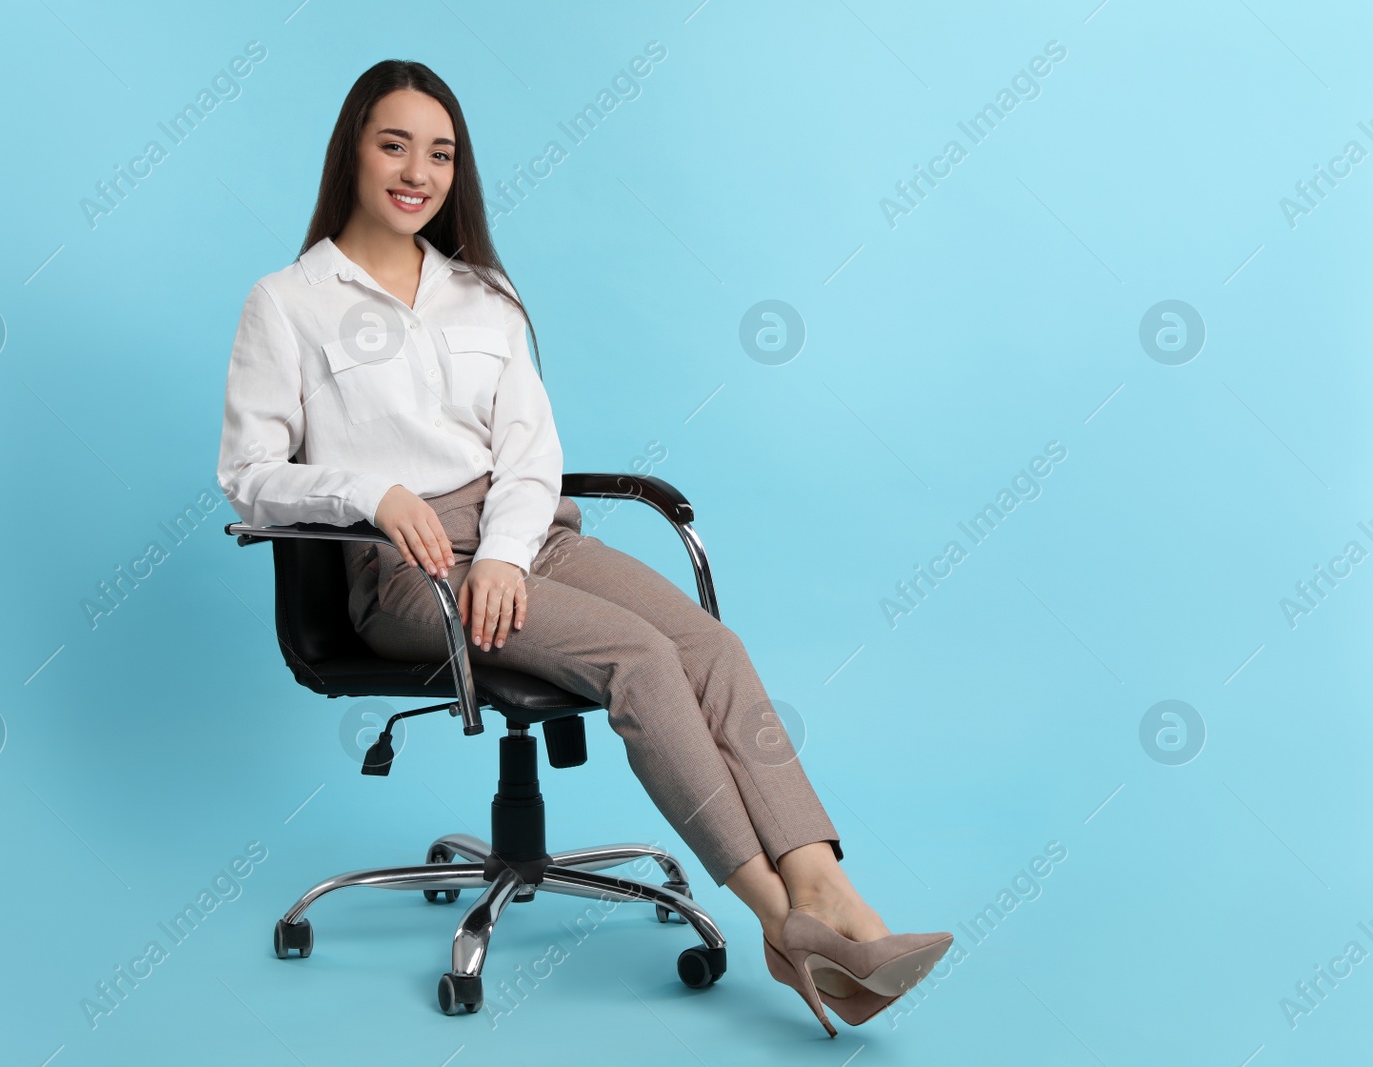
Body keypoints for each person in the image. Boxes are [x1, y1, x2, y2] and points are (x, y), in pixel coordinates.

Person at [215, 58, 950, 1033]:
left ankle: (830, 894)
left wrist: (508, 557)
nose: (417, 170)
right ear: (351, 149)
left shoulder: (483, 294)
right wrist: (371, 491)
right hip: (408, 572)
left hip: (521, 543)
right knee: (639, 658)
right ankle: (780, 926)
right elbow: (248, 473)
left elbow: (532, 456)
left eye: (440, 153)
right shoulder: (288, 301)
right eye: (394, 143)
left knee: (712, 647)